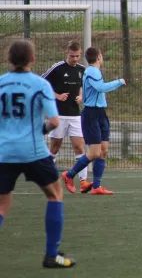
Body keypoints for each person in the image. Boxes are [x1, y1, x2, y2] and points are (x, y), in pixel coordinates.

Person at [0, 40, 76, 268]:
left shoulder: (1, 84)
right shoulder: (40, 84)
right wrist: (38, 130)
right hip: (33, 151)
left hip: (4, 152)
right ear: (32, 59)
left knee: (2, 206)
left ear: (9, 59)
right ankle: (52, 255)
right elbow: (53, 121)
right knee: (54, 194)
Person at [61, 47, 125, 195]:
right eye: (101, 56)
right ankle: (69, 175)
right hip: (91, 114)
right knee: (95, 152)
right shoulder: (91, 71)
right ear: (99, 56)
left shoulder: (93, 71)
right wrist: (119, 82)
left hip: (100, 113)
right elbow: (100, 87)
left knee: (103, 150)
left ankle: (96, 186)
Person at [42, 40, 92, 193]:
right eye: (72, 56)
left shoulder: (82, 69)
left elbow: (83, 85)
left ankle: (83, 181)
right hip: (58, 115)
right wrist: (56, 95)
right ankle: (48, 179)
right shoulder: (57, 68)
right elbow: (41, 83)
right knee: (55, 147)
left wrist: (81, 96)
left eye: (77, 56)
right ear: (66, 53)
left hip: (75, 115)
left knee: (79, 146)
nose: (75, 59)